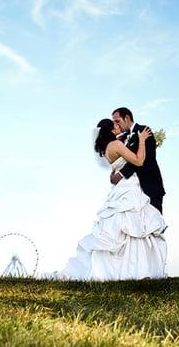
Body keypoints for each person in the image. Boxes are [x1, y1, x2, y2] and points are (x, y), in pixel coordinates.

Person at [54, 118, 167, 281]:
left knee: (121, 228)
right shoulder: (117, 145)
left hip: (121, 187)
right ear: (111, 129)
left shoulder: (107, 148)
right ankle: (135, 269)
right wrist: (142, 140)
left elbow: (118, 165)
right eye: (115, 124)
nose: (118, 126)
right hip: (129, 187)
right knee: (133, 225)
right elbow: (139, 160)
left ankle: (123, 269)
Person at [111, 107, 165, 213]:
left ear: (126, 118)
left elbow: (142, 159)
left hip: (149, 186)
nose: (116, 125)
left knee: (152, 225)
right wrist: (114, 171)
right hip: (131, 191)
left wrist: (120, 174)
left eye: (118, 121)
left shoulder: (144, 130)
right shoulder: (121, 139)